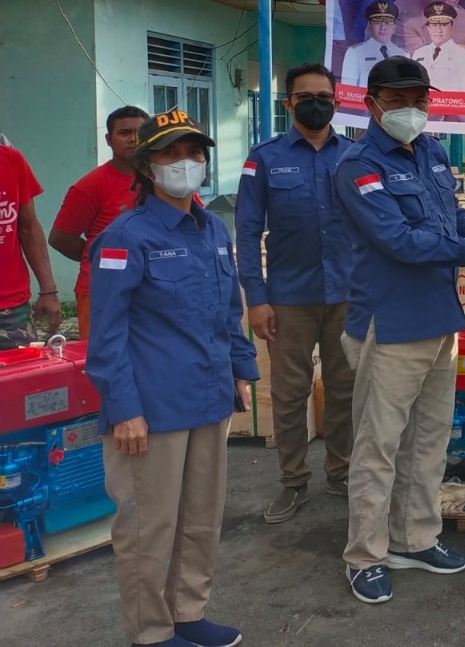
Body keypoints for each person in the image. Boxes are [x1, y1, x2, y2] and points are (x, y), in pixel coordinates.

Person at [334, 57, 465, 605]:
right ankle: (366, 555)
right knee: (378, 446)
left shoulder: (432, 151)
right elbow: (398, 241)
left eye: (419, 99)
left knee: (428, 441)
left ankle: (415, 538)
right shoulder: (358, 167)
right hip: (390, 323)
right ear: (372, 102)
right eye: (398, 100)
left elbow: (453, 219)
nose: (411, 110)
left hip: (439, 317)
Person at [87, 109, 259, 647]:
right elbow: (106, 336)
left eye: (194, 153)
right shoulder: (124, 237)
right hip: (151, 410)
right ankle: (151, 632)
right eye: (169, 154)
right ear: (145, 167)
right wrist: (123, 409)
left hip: (209, 397)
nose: (185, 163)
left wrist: (242, 370)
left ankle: (188, 613)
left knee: (200, 520)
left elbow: (228, 309)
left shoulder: (213, 228)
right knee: (148, 528)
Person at [236, 63, 357, 525]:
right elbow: (247, 231)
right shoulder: (263, 158)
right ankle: (293, 481)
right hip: (288, 296)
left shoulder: (354, 155)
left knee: (345, 389)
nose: (315, 103)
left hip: (347, 292)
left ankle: (341, 473)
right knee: (289, 393)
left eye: (323, 95)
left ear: (336, 100)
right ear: (288, 103)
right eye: (304, 96)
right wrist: (256, 296)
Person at [49, 105, 149, 340]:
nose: (133, 139)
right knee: (100, 365)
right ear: (108, 139)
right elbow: (60, 238)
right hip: (101, 291)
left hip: (151, 289)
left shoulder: (163, 179)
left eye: (140, 132)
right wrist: (99, 256)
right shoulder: (90, 186)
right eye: (124, 133)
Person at [0, 142, 61, 348]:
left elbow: (28, 227)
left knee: (23, 377)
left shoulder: (11, 160)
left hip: (10, 309)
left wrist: (48, 289)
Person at [411, 2, 465, 94]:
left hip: (451, 107)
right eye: (434, 25)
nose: (439, 30)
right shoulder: (419, 54)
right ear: (428, 28)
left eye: (444, 25)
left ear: (452, 27)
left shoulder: (464, 56)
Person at [340, 0, 406, 87]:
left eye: (387, 23)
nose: (383, 28)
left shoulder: (403, 54)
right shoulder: (355, 52)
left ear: (394, 28)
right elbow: (348, 88)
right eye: (377, 22)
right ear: (370, 26)